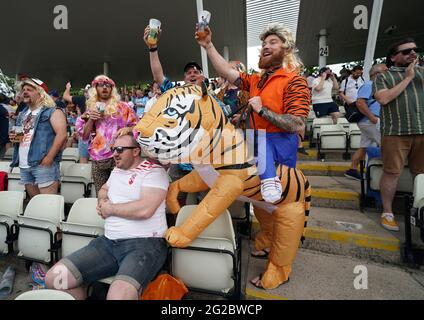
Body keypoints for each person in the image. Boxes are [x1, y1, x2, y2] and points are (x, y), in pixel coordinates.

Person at [45, 131, 169, 300]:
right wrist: (102, 200)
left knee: (117, 297)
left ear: (135, 151)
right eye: (113, 149)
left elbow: (145, 209)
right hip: (108, 243)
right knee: (54, 279)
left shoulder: (154, 172)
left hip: (144, 244)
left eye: (119, 149)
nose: (114, 153)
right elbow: (104, 188)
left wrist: (110, 209)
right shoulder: (117, 170)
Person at [196, 22, 310, 204]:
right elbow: (225, 70)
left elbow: (297, 123)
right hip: (257, 143)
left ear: (286, 49)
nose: (266, 46)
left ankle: (271, 181)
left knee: (282, 207)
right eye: (264, 43)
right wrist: (208, 45)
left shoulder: (295, 81)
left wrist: (262, 111)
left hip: (280, 145)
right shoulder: (256, 79)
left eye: (273, 42)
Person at [374, 38, 424, 231]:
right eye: (406, 51)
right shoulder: (383, 76)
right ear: (394, 57)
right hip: (396, 132)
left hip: (422, 131)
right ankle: (387, 212)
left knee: (421, 174)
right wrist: (408, 78)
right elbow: (384, 98)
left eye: (415, 49)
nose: (412, 53)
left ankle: (419, 210)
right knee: (392, 172)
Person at [75, 75, 138, 194]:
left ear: (112, 89)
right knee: (102, 194)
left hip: (120, 155)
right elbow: (84, 136)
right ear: (95, 89)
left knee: (121, 193)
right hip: (98, 159)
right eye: (100, 85)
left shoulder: (123, 107)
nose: (104, 87)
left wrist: (128, 129)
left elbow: (138, 126)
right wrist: (91, 119)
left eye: (108, 85)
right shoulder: (90, 110)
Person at [9, 78, 68, 198]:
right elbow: (20, 138)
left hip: (43, 164)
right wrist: (14, 137)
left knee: (47, 205)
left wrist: (50, 157)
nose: (24, 92)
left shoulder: (53, 111)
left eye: (29, 90)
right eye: (23, 90)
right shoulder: (22, 114)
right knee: (35, 204)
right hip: (24, 165)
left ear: (41, 93)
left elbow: (62, 135)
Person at [344, 64, 388, 181]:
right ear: (377, 74)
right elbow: (360, 103)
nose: (388, 72)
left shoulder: (374, 85)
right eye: (385, 71)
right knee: (387, 145)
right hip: (371, 120)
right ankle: (384, 173)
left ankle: (352, 170)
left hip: (368, 121)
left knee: (364, 146)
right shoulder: (370, 85)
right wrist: (372, 117)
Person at [63, 83, 90, 163]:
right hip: (97, 132)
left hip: (85, 131)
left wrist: (68, 87)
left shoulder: (82, 99)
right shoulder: (102, 99)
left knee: (83, 160)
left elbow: (65, 96)